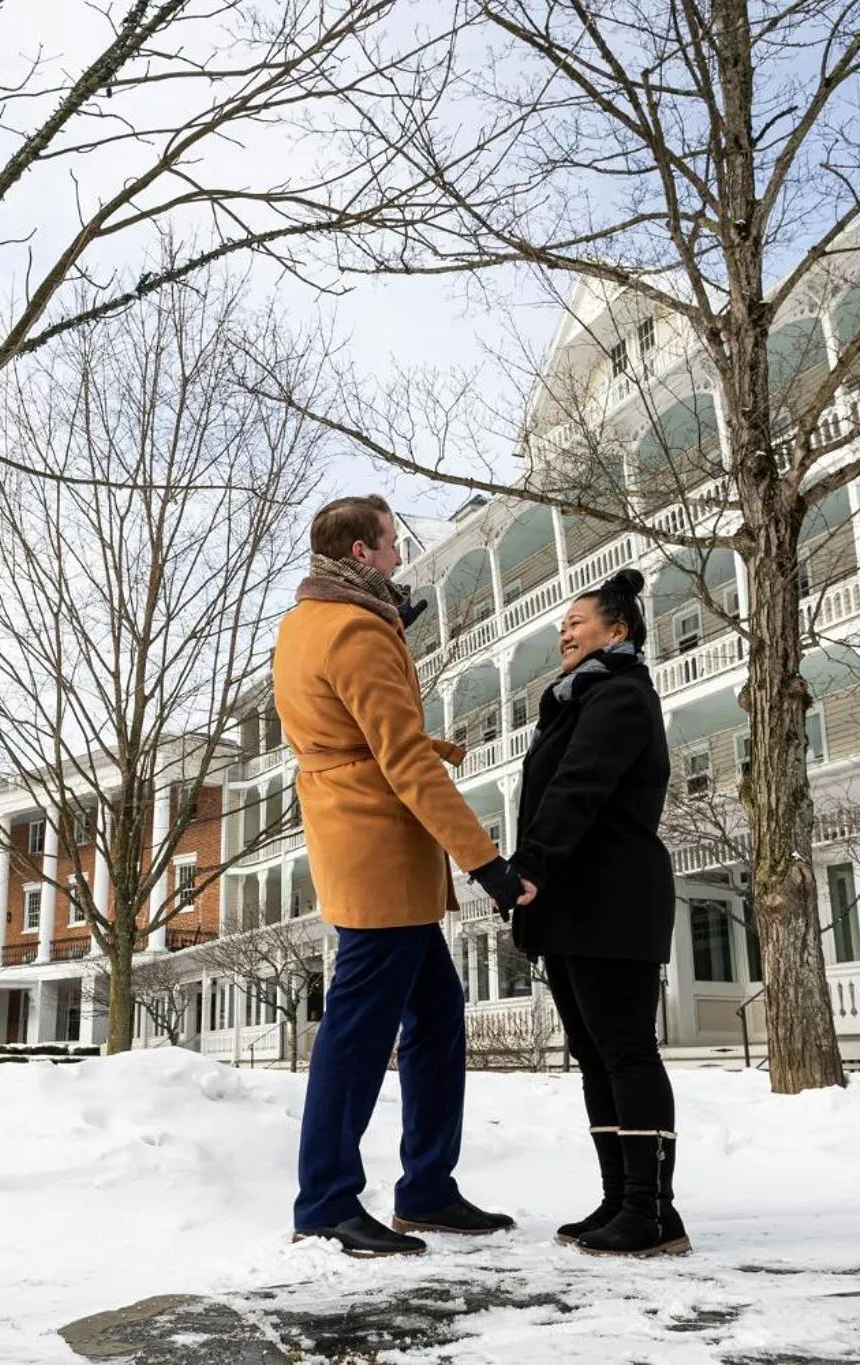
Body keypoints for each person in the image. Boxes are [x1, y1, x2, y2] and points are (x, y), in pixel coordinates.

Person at [275, 494, 532, 1258]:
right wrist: (486, 861)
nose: (399, 554)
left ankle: (426, 1187)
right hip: (380, 843)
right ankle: (324, 1199)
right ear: (361, 553)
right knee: (356, 1035)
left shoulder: (307, 622)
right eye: (391, 543)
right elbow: (403, 758)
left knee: (436, 1015)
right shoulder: (356, 630)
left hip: (358, 834)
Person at [503, 570, 688, 1257]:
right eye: (561, 628)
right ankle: (619, 1197)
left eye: (577, 623)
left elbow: (580, 786)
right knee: (593, 1057)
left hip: (614, 897)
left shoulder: (619, 696)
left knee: (626, 1050)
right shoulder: (580, 699)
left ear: (619, 630)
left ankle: (654, 1210)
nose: (564, 635)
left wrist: (531, 863)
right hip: (576, 902)